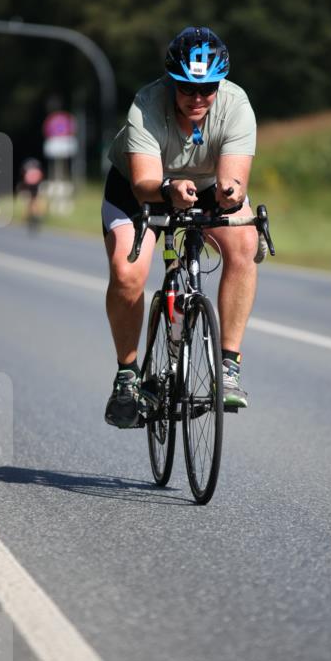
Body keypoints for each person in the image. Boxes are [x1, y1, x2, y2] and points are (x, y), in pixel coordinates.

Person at [102, 26, 259, 428]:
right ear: (172, 82)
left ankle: (229, 366)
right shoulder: (147, 104)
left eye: (208, 88)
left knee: (244, 243)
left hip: (203, 186)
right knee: (127, 274)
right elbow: (143, 182)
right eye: (187, 88)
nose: (198, 98)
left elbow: (235, 179)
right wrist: (169, 188)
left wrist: (228, 192)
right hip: (143, 187)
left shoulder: (236, 105)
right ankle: (127, 376)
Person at [16, 158, 46, 230]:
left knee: (29, 202)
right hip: (35, 188)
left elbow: (24, 181)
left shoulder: (28, 171)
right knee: (36, 201)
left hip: (30, 188)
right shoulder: (38, 171)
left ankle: (28, 216)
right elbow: (41, 179)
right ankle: (37, 215)